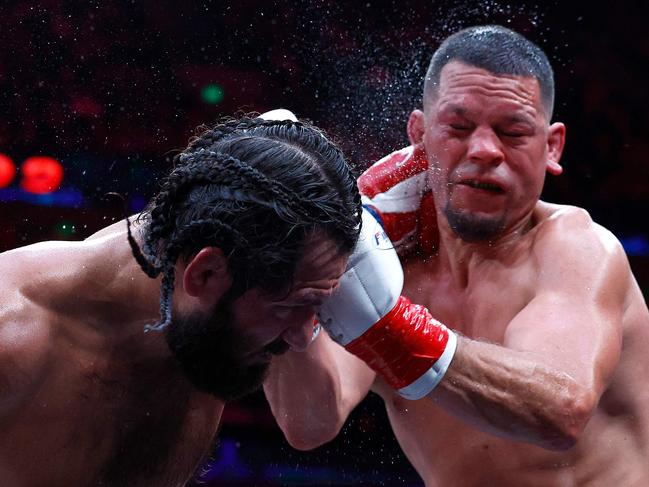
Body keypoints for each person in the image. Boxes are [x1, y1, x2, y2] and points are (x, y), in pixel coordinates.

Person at [264, 25, 649, 485]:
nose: (485, 150)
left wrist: (386, 323)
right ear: (420, 134)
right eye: (458, 127)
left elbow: (559, 408)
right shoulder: (392, 270)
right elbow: (309, 423)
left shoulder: (576, 248)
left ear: (552, 146)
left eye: (513, 132)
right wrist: (288, 274)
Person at [0, 114, 362, 486]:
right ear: (205, 273)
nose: (304, 338)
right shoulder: (13, 331)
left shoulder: (198, 320)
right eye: (290, 306)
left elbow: (312, 422)